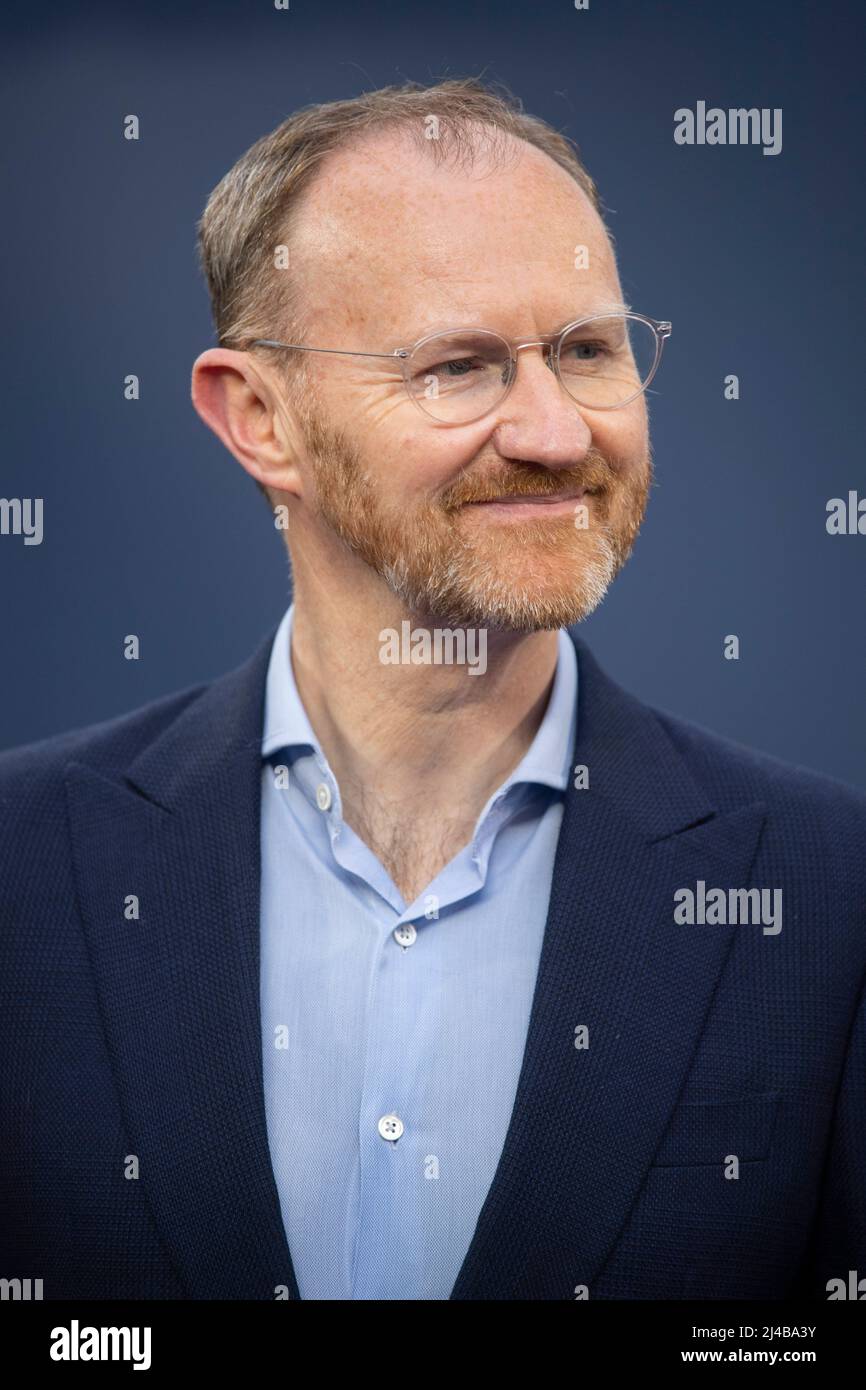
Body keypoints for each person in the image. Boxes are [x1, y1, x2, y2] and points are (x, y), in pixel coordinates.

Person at [1, 78, 864, 1301]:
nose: (557, 434)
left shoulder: (825, 895)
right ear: (259, 418)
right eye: (456, 367)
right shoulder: (23, 868)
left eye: (585, 349)